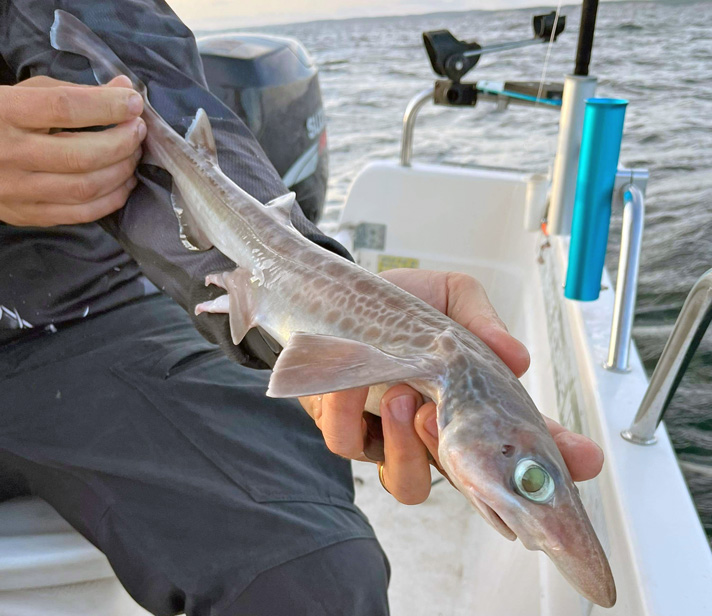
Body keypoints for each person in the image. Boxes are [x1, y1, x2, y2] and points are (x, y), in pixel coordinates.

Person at [0, 2, 605, 615]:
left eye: (530, 477)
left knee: (313, 578)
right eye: (531, 479)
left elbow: (133, 66)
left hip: (79, 316)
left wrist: (320, 292)